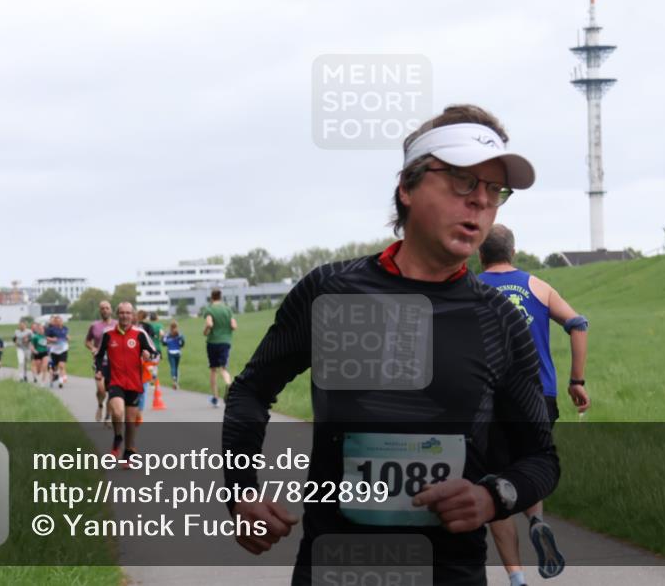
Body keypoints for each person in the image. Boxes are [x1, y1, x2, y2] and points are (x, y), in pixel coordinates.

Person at [222, 104, 559, 585]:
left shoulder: (499, 320)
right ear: (407, 186)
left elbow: (541, 458)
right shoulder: (332, 292)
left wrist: (492, 497)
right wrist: (240, 492)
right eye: (463, 181)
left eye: (494, 190)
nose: (481, 202)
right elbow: (251, 390)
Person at [478, 225, 590, 583]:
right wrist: (576, 381)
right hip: (539, 396)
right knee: (530, 464)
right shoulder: (537, 286)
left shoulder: (470, 288)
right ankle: (537, 521)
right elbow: (578, 324)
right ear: (512, 251)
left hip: (489, 398)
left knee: (494, 482)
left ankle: (517, 578)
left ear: (480, 253)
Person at [93, 302, 157, 462]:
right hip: (115, 381)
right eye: (122, 313)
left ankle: (128, 452)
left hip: (134, 383)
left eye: (128, 313)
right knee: (117, 412)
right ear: (117, 314)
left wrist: (149, 355)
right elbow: (99, 355)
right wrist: (99, 370)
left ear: (132, 315)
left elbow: (156, 354)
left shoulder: (140, 333)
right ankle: (117, 437)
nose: (125, 316)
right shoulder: (108, 334)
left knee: (130, 422)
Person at [201, 288, 236, 407]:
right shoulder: (227, 309)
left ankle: (215, 398)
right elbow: (234, 325)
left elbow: (209, 323)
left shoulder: (209, 309)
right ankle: (229, 384)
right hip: (225, 342)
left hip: (212, 342)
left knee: (213, 369)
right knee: (224, 368)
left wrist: (205, 331)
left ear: (212, 297)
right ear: (220, 297)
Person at [86, 301, 117, 423]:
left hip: (114, 363)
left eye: (107, 308)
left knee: (112, 391)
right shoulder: (94, 326)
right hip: (99, 362)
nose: (105, 310)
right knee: (101, 389)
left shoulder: (117, 324)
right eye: (102, 308)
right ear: (100, 311)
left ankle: (108, 416)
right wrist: (93, 348)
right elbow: (87, 341)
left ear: (111, 310)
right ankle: (100, 405)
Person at [45, 315, 70, 388]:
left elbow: (66, 336)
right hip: (54, 350)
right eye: (57, 321)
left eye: (60, 320)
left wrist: (68, 337)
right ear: (55, 322)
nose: (59, 322)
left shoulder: (65, 328)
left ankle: (60, 382)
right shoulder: (51, 330)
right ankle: (55, 375)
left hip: (63, 349)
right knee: (55, 367)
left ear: (62, 321)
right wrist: (52, 339)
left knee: (61, 365)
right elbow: (45, 338)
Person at [163, 320, 185, 389]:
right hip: (178, 352)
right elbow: (182, 343)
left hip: (170, 352)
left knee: (172, 367)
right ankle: (176, 382)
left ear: (170, 327)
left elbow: (164, 343)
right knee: (176, 367)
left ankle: (174, 380)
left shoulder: (167, 334)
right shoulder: (180, 334)